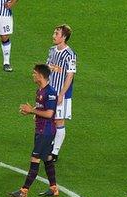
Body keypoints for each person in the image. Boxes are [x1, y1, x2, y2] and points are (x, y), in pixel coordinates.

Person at [8, 64, 59, 197]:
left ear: (41, 76)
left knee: (35, 158)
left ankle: (24, 190)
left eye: (34, 73)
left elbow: (49, 113)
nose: (33, 75)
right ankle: (53, 188)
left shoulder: (51, 93)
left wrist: (32, 110)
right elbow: (41, 110)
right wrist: (31, 112)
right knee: (47, 158)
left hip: (46, 132)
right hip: (41, 130)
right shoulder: (39, 91)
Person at [46, 24, 77, 161]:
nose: (53, 35)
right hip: (50, 91)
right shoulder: (52, 50)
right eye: (54, 32)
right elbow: (48, 68)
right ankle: (50, 146)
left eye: (57, 33)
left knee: (59, 120)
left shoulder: (70, 55)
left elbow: (70, 76)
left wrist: (62, 94)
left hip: (61, 93)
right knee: (50, 119)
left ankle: (55, 153)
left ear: (64, 37)